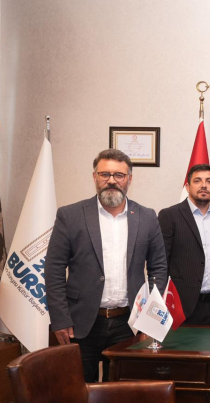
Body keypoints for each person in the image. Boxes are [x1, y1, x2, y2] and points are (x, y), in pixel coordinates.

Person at [46, 149, 167, 383]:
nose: (112, 180)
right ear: (94, 177)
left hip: (129, 323)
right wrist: (60, 319)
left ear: (129, 179)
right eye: (105, 174)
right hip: (80, 324)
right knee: (80, 392)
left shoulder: (147, 217)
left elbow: (159, 268)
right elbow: (54, 269)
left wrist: (151, 320)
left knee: (123, 394)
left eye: (119, 175)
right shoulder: (70, 215)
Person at [158, 164, 210, 326]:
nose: (204, 185)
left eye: (209, 181)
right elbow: (161, 262)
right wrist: (160, 300)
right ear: (187, 187)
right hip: (180, 305)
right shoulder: (169, 215)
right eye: (197, 181)